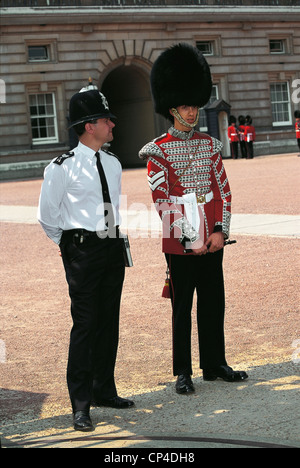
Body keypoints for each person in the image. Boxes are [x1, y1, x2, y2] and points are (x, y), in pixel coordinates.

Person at [139, 43, 248, 395]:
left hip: (213, 239)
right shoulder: (157, 151)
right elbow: (161, 201)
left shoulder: (210, 145)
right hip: (181, 242)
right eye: (186, 105)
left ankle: (215, 363)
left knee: (214, 302)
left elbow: (223, 193)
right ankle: (183, 371)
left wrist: (218, 231)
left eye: (195, 104)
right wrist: (192, 238)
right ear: (172, 109)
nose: (193, 110)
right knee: (182, 307)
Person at [38, 89, 134, 432]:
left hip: (110, 244)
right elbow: (47, 216)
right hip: (81, 248)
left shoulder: (113, 163)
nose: (112, 124)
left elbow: (112, 209)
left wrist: (109, 239)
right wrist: (69, 247)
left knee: (109, 320)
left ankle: (104, 390)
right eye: (107, 120)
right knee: (85, 324)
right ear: (89, 126)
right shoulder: (60, 168)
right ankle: (80, 405)